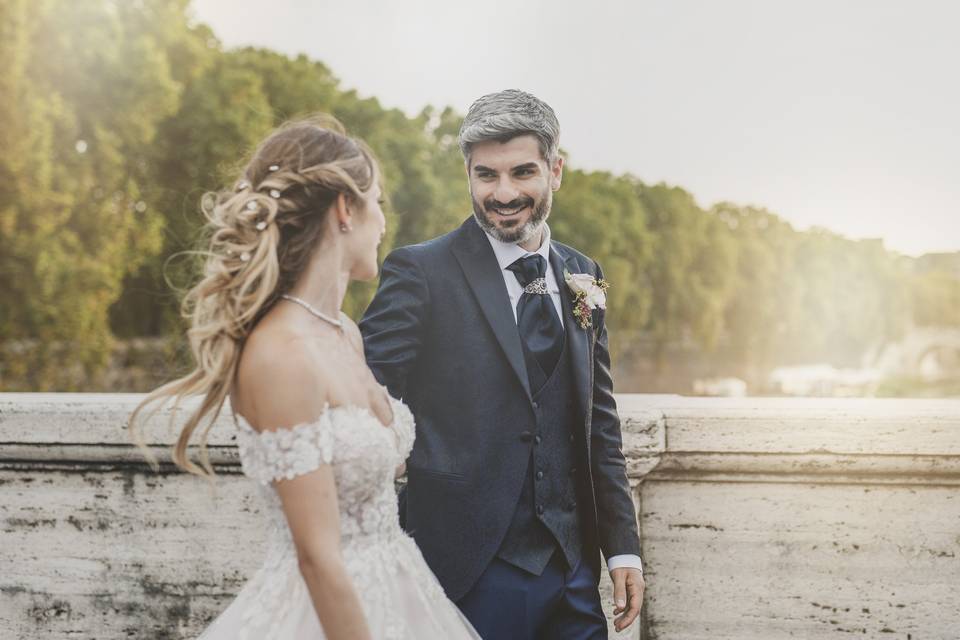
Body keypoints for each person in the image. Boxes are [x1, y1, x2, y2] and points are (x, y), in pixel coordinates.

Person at [130, 116, 480, 640]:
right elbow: (318, 558)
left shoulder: (344, 333)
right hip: (326, 613)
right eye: (377, 202)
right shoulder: (280, 357)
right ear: (345, 209)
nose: (384, 222)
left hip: (403, 591)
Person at [361, 89, 646, 639]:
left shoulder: (583, 272)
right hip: (463, 572)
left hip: (574, 574)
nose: (504, 193)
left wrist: (622, 551)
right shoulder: (420, 272)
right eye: (486, 175)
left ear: (555, 170)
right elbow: (360, 401)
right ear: (467, 174)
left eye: (522, 172)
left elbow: (599, 424)